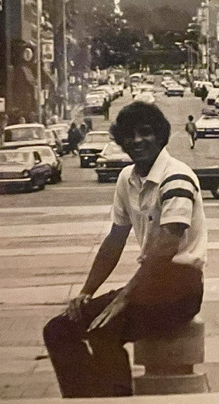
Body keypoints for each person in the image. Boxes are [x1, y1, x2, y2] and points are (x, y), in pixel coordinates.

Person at [43, 101, 207, 398]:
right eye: (129, 135)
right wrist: (86, 292)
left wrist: (123, 298)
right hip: (148, 282)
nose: (137, 141)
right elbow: (114, 240)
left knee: (104, 329)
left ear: (160, 136)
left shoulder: (176, 178)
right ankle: (84, 397)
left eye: (145, 133)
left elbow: (166, 248)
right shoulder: (127, 178)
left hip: (181, 286)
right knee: (58, 329)